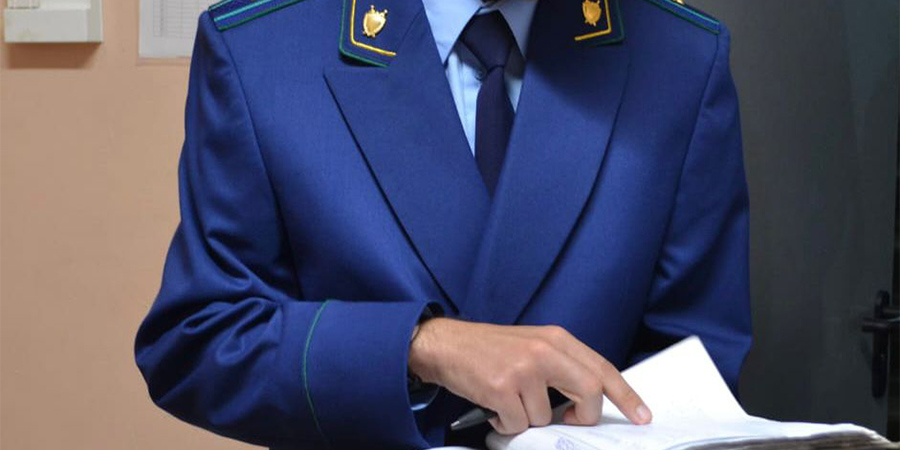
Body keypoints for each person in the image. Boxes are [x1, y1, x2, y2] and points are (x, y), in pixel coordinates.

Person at [134, 0, 752, 448]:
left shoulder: (682, 58)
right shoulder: (261, 50)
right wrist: (418, 347)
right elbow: (199, 341)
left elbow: (692, 367)